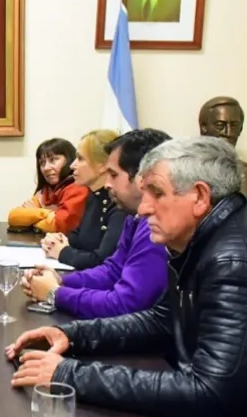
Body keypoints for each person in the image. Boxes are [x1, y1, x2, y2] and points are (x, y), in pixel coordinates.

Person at [8, 136, 247, 417]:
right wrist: (71, 335)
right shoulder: (203, 233)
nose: (144, 208)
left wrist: (69, 374)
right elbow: (161, 320)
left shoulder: (235, 262)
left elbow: (211, 392)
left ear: (200, 197)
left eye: (156, 193)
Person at [22, 129, 170, 319]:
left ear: (143, 178)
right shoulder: (135, 216)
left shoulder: (156, 225)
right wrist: (62, 281)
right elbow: (112, 271)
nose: (107, 184)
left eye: (113, 175)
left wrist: (56, 294)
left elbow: (124, 304)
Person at [41, 130, 125, 269]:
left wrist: (62, 252)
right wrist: (56, 241)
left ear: (102, 165)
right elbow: (78, 238)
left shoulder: (119, 203)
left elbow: (103, 261)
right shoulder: (94, 195)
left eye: (80, 159)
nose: (72, 165)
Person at [197, 96, 247, 209]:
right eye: (220, 126)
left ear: (240, 129)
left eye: (234, 126)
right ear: (203, 128)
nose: (228, 132)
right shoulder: (184, 175)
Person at [8, 138, 89, 234]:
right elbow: (14, 217)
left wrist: (34, 215)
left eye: (53, 160)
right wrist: (47, 214)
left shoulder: (78, 188)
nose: (46, 168)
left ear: (69, 160)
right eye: (42, 163)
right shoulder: (44, 192)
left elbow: (61, 226)